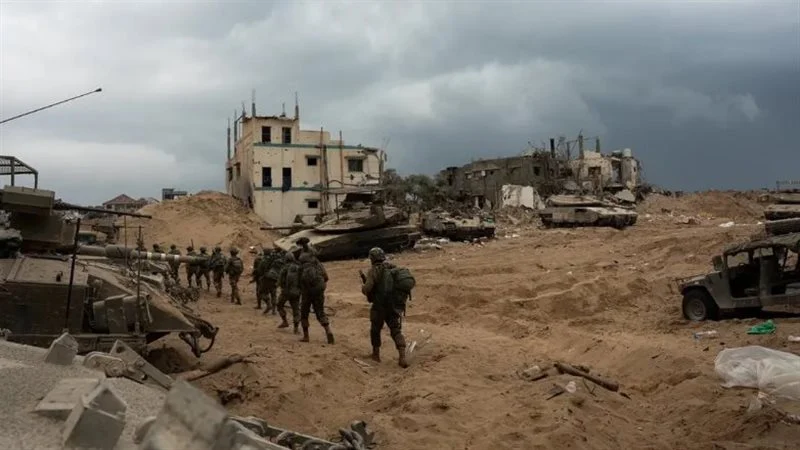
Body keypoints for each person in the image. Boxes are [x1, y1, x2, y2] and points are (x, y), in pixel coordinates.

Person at [361, 247, 408, 368]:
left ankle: (376, 355)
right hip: (393, 305)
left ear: (372, 258)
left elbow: (367, 289)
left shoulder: (373, 271)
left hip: (379, 306)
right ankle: (402, 356)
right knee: (395, 330)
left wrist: (363, 287)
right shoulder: (393, 268)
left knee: (375, 330)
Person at [297, 239, 334, 344]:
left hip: (307, 292)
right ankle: (328, 331)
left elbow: (299, 282)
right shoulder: (317, 264)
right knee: (320, 312)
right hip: (318, 290)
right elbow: (326, 277)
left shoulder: (302, 266)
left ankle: (306, 337)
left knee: (304, 313)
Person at [277, 247, 302, 333]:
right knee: (296, 309)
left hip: (286, 292)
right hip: (296, 292)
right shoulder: (298, 267)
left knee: (279, 305)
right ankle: (296, 328)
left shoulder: (285, 268)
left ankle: (285, 321)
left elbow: (280, 281)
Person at [260, 246, 281, 315]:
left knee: (262, 293)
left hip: (267, 277)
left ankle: (268, 304)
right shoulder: (279, 259)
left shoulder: (265, 260)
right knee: (273, 294)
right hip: (276, 278)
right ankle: (274, 311)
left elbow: (260, 270)